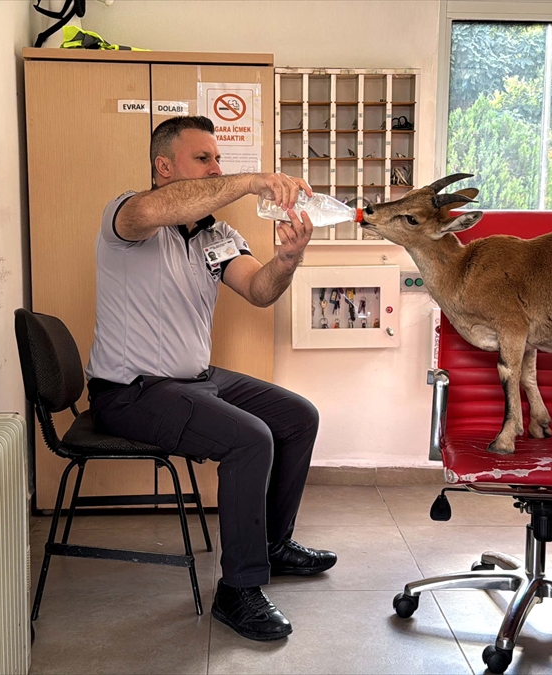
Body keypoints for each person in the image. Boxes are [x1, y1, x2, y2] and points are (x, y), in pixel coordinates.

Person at [86, 116, 337, 642]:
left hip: (195, 379)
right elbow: (159, 209)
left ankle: (271, 544)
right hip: (131, 392)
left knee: (297, 417)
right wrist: (250, 180)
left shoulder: (216, 235)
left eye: (218, 160)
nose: (216, 169)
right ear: (163, 167)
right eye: (204, 159)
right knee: (250, 440)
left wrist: (289, 259)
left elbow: (260, 289)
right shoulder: (129, 218)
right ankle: (238, 590)